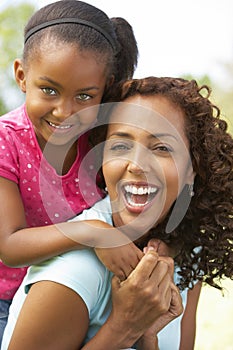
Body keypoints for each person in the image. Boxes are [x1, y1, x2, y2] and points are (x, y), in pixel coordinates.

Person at [3, 76, 233, 349]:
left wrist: (148, 339)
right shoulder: (75, 269)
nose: (136, 165)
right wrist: (126, 327)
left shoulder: (186, 253)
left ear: (191, 169)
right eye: (121, 146)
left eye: (161, 148)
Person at [0, 0, 143, 344]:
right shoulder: (7, 141)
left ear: (104, 89)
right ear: (21, 75)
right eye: (48, 90)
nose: (65, 112)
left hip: (80, 292)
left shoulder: (100, 140)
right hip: (6, 300)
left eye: (84, 96)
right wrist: (92, 232)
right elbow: (9, 244)